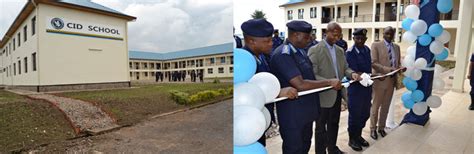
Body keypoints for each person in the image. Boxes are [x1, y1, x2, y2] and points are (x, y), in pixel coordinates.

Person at [270, 20, 342, 154]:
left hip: (306, 113)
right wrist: (329, 82)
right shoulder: (283, 54)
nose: (310, 39)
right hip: (293, 115)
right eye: (306, 37)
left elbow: (311, 76)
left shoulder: (300, 51)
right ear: (296, 35)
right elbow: (300, 84)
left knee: (305, 146)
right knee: (294, 149)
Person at [240, 18, 299, 147]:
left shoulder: (261, 56)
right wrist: (278, 93)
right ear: (251, 41)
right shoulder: (243, 63)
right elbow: (247, 92)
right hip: (246, 123)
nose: (272, 43)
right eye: (267, 41)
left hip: (260, 119)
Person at [308, 22, 359, 154]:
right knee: (320, 128)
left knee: (334, 124)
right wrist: (329, 82)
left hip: (337, 94)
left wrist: (352, 73)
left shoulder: (340, 50)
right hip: (322, 96)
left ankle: (332, 149)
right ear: (326, 33)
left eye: (339, 35)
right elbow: (312, 74)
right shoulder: (315, 50)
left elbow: (345, 68)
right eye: (334, 35)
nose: (337, 38)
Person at [370, 26, 402, 140]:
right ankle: (373, 129)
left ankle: (381, 128)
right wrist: (388, 70)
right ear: (383, 33)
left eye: (391, 34)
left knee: (386, 107)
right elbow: (373, 63)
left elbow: (397, 63)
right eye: (387, 33)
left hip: (392, 81)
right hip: (380, 80)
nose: (389, 36)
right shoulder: (376, 45)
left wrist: (400, 68)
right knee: (376, 106)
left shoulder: (397, 47)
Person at [345, 28, 372, 151]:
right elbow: (353, 70)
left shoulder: (367, 50)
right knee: (355, 115)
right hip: (355, 89)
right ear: (353, 38)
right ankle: (352, 139)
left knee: (365, 113)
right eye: (357, 38)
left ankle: (359, 135)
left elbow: (369, 68)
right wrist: (367, 75)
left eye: (362, 38)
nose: (360, 40)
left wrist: (371, 75)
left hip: (366, 87)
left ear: (366, 39)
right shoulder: (350, 52)